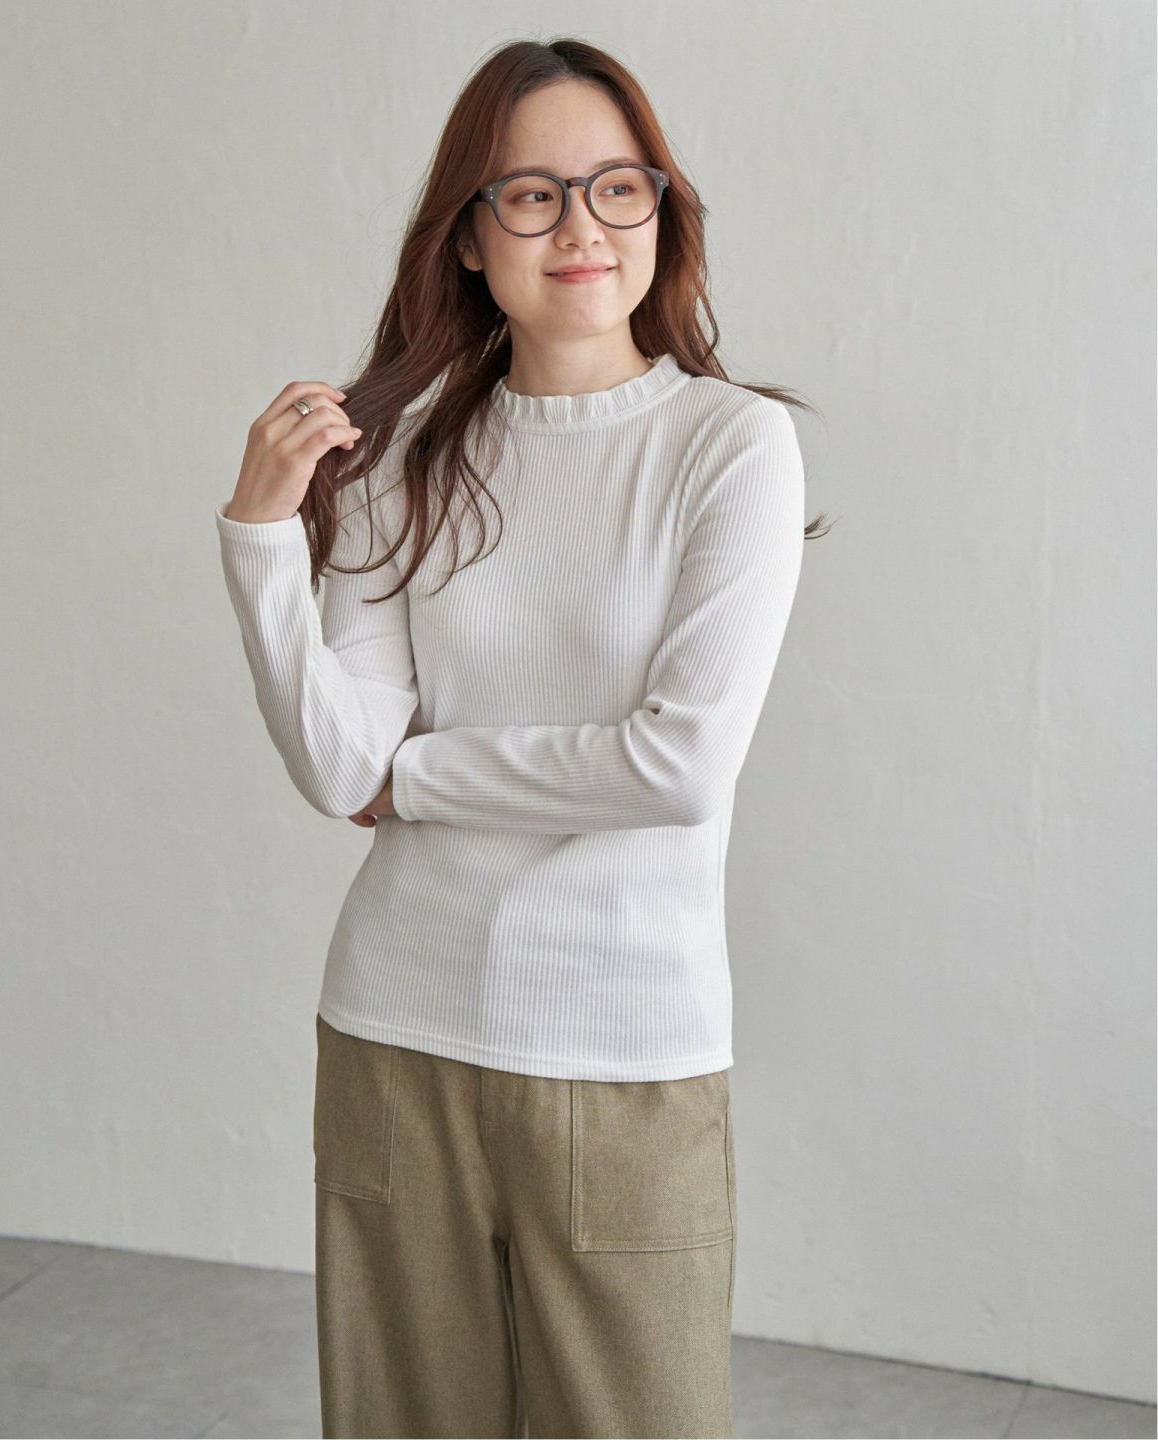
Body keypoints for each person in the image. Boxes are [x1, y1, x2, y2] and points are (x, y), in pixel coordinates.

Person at [215, 35, 825, 1440]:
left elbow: (679, 766)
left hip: (628, 1052)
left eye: (619, 187)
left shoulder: (729, 445)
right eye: (533, 195)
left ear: (661, 210)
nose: (582, 228)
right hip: (395, 1030)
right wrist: (259, 539)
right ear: (469, 236)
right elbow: (337, 766)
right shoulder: (407, 460)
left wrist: (422, 773)